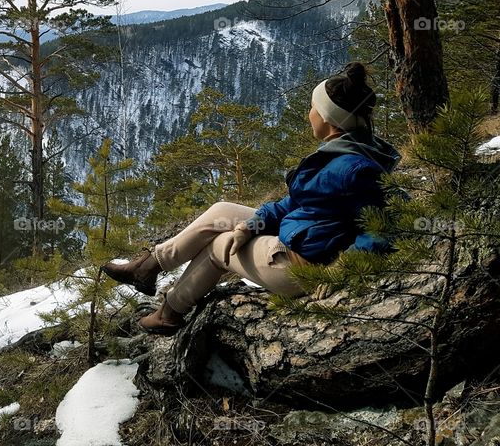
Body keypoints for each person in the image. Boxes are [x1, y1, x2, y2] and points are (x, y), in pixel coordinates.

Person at [101, 61, 401, 336]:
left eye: (312, 107)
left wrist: (340, 273)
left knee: (219, 246)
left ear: (327, 117)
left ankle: (169, 313)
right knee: (223, 212)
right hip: (308, 234)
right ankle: (148, 266)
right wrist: (252, 225)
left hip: (301, 263)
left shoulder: (353, 168)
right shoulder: (347, 151)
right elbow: (299, 203)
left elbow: (383, 225)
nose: (308, 113)